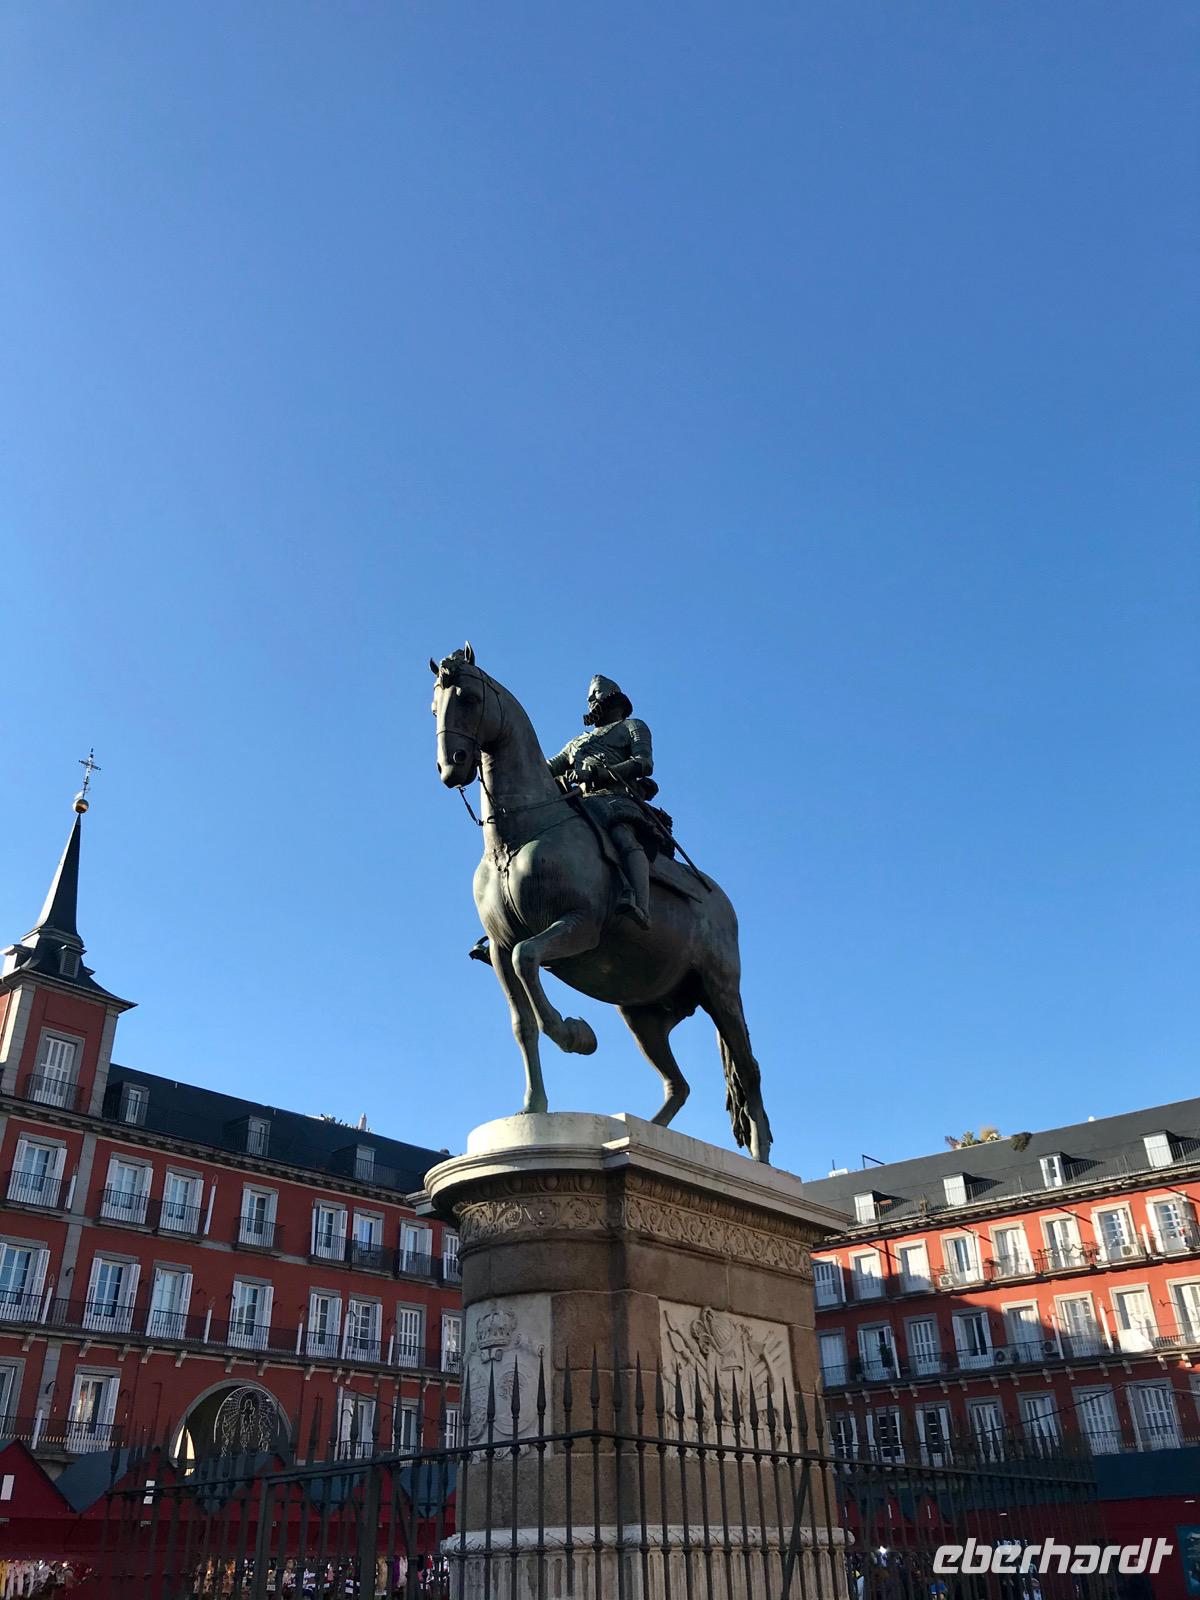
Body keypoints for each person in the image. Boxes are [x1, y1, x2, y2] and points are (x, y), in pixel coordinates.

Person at [547, 675, 658, 929]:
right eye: (588, 696)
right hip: (577, 800)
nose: (590, 700)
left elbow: (644, 762)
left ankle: (640, 905)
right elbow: (548, 767)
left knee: (623, 838)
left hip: (614, 797)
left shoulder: (633, 726)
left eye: (595, 694)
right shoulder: (576, 742)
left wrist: (597, 774)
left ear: (612, 697)